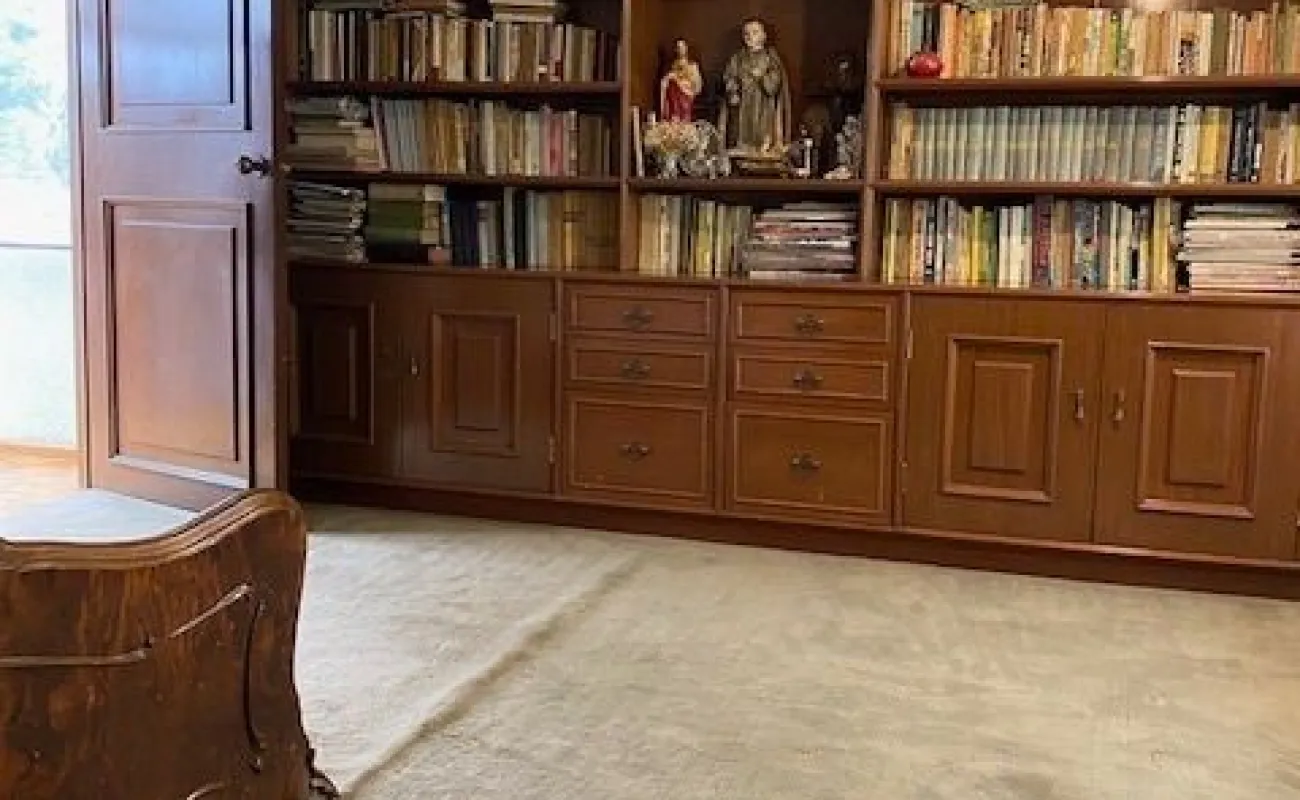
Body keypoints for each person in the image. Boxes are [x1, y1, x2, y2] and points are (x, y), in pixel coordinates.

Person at [719, 19, 791, 155]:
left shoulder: (770, 57)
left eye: (754, 32)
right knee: (740, 132)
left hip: (763, 106)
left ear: (763, 36)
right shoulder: (737, 58)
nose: (750, 36)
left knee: (762, 133)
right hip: (743, 105)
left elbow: (774, 85)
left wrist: (762, 77)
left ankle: (763, 149)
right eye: (746, 33)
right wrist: (733, 91)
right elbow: (729, 77)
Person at [659, 38, 703, 123]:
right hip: (674, 96)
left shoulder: (692, 65)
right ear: (676, 50)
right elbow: (670, 78)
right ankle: (671, 116)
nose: (680, 50)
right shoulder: (673, 65)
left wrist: (681, 83)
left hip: (686, 94)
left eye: (682, 47)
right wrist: (668, 80)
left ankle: (681, 119)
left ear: (686, 48)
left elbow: (696, 84)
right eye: (678, 47)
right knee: (669, 84)